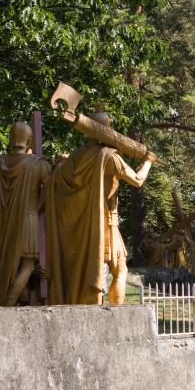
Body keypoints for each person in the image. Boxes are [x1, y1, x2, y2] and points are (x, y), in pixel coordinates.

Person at [46, 110, 154, 305]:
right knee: (119, 269)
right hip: (105, 223)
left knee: (90, 267)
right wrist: (148, 162)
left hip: (80, 225)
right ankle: (116, 314)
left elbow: (58, 185)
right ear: (107, 131)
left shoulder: (75, 158)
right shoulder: (109, 156)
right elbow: (137, 180)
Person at [0, 122, 51, 307]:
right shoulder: (39, 164)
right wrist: (38, 207)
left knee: (2, 262)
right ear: (28, 140)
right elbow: (50, 192)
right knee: (27, 266)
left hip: (2, 222)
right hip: (29, 220)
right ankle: (8, 302)